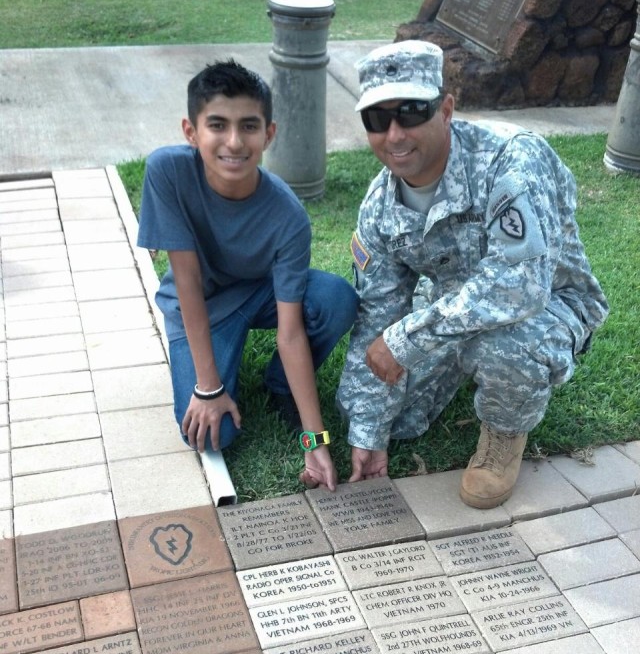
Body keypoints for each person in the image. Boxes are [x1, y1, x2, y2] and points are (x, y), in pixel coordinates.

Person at [337, 40, 609, 508]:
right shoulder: (380, 207)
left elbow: (519, 286)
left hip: (546, 304)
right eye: (378, 120)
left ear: (445, 109)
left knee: (504, 344)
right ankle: (466, 369)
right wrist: (368, 432)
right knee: (388, 416)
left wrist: (408, 340)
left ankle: (503, 437)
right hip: (445, 312)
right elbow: (376, 320)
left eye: (412, 112)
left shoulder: (511, 158)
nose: (396, 135)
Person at [137, 59, 357, 491]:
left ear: (268, 134)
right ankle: (214, 374)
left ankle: (282, 386)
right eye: (217, 125)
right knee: (210, 435)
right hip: (203, 305)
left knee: (336, 298)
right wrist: (207, 388)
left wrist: (315, 439)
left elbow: (291, 332)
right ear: (191, 131)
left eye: (249, 126)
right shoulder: (168, 172)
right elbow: (188, 285)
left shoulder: (288, 215)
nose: (234, 142)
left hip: (261, 294)